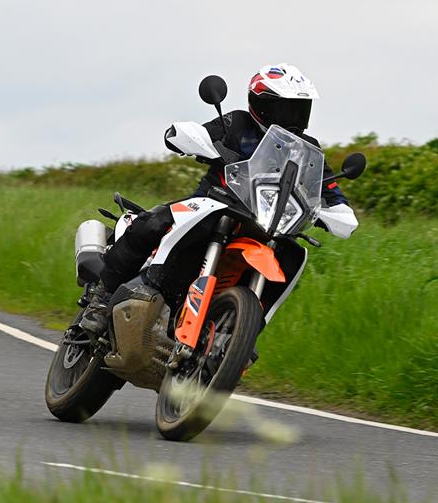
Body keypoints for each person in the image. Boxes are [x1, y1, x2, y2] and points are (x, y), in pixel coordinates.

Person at [80, 63, 352, 335]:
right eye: (287, 108)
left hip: (268, 223)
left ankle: (238, 334)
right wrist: (191, 139)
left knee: (290, 255)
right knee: (152, 223)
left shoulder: (309, 150)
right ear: (261, 104)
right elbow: (202, 134)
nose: (295, 117)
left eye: (301, 109)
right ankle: (102, 300)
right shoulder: (236, 123)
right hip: (214, 205)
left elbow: (330, 191)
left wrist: (336, 213)